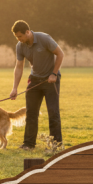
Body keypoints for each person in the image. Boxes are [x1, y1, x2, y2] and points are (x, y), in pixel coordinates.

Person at [9, 20, 64, 150]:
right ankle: (28, 144)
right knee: (31, 113)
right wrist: (15, 88)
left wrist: (54, 74)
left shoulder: (44, 38)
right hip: (35, 80)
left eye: (20, 36)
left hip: (50, 80)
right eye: (16, 37)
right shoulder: (20, 46)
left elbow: (60, 54)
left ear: (27, 32)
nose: (18, 39)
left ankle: (56, 145)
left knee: (53, 113)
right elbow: (19, 67)